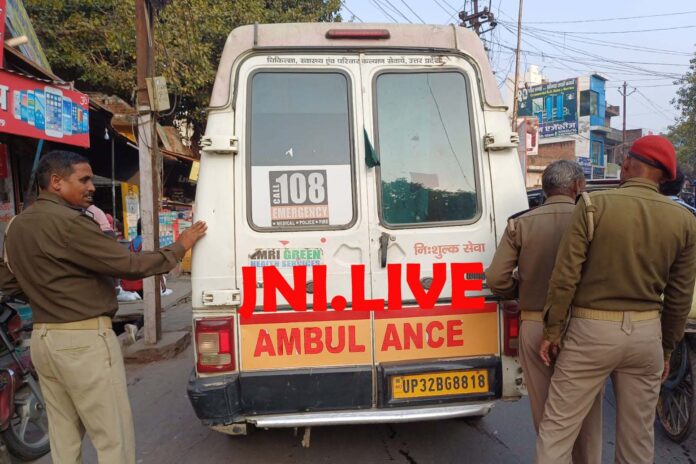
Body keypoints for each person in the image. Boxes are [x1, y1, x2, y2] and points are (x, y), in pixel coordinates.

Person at [0, 150, 207, 464]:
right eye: (83, 180)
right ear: (56, 182)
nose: (91, 187)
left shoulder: (17, 225)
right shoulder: (71, 223)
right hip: (83, 340)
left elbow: (9, 281)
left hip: (43, 340)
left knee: (63, 436)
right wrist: (180, 246)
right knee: (112, 436)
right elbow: (129, 264)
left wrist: (48, 293)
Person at [536, 135, 696, 464]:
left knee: (558, 430)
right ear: (664, 176)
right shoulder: (684, 221)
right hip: (646, 335)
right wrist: (667, 348)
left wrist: (552, 331)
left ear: (627, 164)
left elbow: (565, 277)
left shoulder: (593, 205)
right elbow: (679, 295)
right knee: (637, 439)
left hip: (591, 331)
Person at [486, 160, 602, 464]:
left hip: (535, 324)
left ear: (546, 188)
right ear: (577, 186)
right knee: (587, 409)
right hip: (585, 325)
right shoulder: (595, 220)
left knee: (546, 411)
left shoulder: (521, 224)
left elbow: (496, 278)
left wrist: (520, 290)